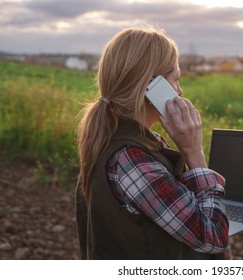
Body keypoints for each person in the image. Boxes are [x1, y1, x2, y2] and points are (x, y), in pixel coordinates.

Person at [75, 26, 229, 260]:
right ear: (152, 87)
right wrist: (194, 152)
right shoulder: (132, 161)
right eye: (175, 79)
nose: (179, 90)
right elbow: (214, 237)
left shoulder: (118, 139)